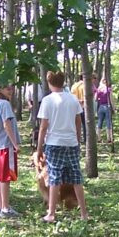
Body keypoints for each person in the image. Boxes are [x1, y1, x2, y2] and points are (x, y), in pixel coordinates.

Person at [37, 70, 89, 223]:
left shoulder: (47, 101)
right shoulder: (73, 99)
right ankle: (84, 213)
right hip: (71, 143)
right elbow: (78, 120)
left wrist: (40, 147)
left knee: (54, 179)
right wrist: (77, 138)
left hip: (54, 144)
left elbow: (43, 126)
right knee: (76, 178)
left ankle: (51, 213)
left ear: (49, 83)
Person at [0, 80, 21, 217]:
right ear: (0, 90)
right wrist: (15, 144)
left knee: (0, 177)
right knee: (5, 177)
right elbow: (6, 125)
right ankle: (5, 208)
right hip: (5, 145)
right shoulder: (5, 104)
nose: (10, 89)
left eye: (11, 87)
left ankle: (0, 205)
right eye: (6, 87)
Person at [94, 76, 114, 144]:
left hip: (100, 107)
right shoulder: (109, 89)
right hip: (107, 106)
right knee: (108, 122)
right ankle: (109, 138)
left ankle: (99, 138)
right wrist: (114, 108)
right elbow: (111, 100)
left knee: (100, 122)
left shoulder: (98, 89)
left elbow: (95, 99)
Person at [71, 75, 90, 143]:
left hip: (75, 107)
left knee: (75, 124)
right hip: (84, 107)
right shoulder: (85, 86)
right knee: (85, 124)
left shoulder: (74, 86)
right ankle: (86, 138)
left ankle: (75, 138)